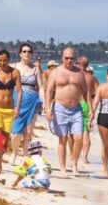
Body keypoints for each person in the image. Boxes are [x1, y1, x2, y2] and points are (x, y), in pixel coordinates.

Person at [44, 47, 88, 175]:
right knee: (62, 138)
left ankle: (74, 164)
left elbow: (85, 92)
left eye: (71, 58)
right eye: (66, 58)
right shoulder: (55, 72)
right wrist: (48, 109)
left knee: (79, 137)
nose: (69, 60)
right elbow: (49, 92)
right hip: (60, 109)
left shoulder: (79, 73)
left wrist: (90, 109)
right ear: (62, 58)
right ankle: (63, 168)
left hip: (76, 109)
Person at [10, 43, 43, 161]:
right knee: (15, 133)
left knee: (28, 132)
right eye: (24, 51)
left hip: (32, 102)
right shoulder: (13, 67)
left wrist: (44, 103)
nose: (27, 53)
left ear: (32, 54)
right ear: (20, 53)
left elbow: (41, 87)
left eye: (29, 51)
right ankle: (14, 152)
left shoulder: (35, 69)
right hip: (16, 102)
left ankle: (25, 155)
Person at [77, 56, 99, 171]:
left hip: (75, 103)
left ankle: (72, 155)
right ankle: (84, 158)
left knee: (73, 132)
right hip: (87, 104)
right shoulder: (91, 77)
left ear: (79, 63)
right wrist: (93, 106)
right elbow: (98, 93)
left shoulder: (75, 75)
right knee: (86, 132)